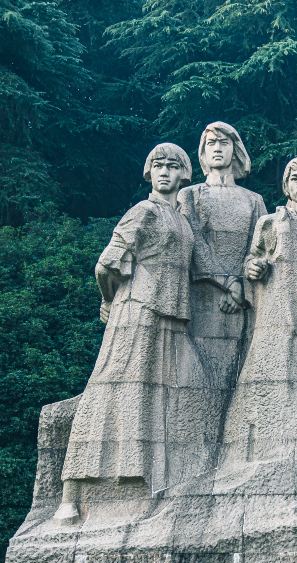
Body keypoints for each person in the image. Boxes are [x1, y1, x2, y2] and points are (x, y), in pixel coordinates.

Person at [55, 143, 205, 524]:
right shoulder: (144, 211)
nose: (165, 172)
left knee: (162, 397)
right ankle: (73, 492)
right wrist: (112, 299)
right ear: (149, 172)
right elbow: (107, 263)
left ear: (184, 173)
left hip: (172, 316)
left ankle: (150, 482)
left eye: (173, 166)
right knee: (113, 389)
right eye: (158, 166)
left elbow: (205, 267)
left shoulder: (182, 220)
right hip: (138, 310)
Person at [218, 157, 297, 505]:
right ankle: (253, 455)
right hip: (276, 314)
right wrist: (252, 268)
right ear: (286, 185)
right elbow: (252, 260)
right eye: (294, 178)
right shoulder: (271, 222)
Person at [178, 122, 267, 410]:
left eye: (223, 142)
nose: (217, 148)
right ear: (202, 152)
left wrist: (242, 284)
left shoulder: (254, 201)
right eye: (211, 143)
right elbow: (193, 243)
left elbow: (262, 247)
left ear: (235, 150)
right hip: (203, 296)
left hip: (243, 299)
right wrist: (229, 283)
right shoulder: (189, 195)